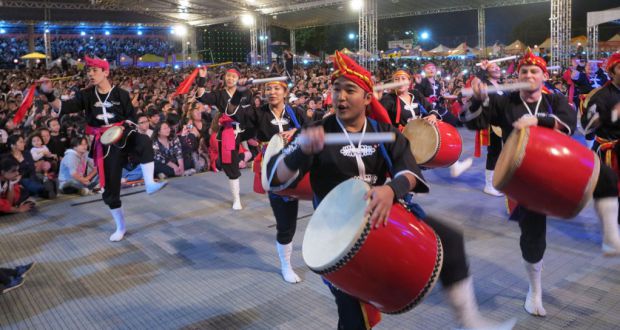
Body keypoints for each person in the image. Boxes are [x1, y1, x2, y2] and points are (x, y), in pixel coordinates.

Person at [267, 51, 515, 330]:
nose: (341, 97)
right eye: (336, 90)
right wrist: (300, 152)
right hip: (337, 230)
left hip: (386, 211)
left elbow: (410, 172)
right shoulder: (314, 133)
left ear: (368, 97)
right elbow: (276, 179)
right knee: (353, 313)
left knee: (451, 241)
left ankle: (470, 321)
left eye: (350, 90)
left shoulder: (384, 132)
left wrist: (391, 190)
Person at [462, 49, 620, 317]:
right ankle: (534, 289)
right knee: (533, 236)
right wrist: (478, 101)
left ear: (544, 76)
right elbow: (472, 123)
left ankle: (611, 233)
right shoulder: (505, 102)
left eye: (534, 71)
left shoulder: (554, 100)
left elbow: (570, 125)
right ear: (518, 76)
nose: (528, 75)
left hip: (558, 167)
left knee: (604, 176)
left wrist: (539, 120)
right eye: (524, 71)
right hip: (523, 179)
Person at [41, 55, 166, 242]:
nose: (90, 74)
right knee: (110, 188)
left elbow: (131, 117)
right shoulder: (86, 95)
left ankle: (149, 183)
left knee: (144, 140)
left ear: (106, 72)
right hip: (104, 142)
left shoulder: (122, 94)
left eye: (95, 70)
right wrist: (49, 94)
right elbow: (63, 107)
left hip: (123, 132)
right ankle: (120, 226)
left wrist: (129, 127)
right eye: (88, 71)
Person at [230, 74, 307, 284]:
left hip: (303, 168)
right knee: (286, 223)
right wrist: (240, 92)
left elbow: (314, 131)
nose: (272, 92)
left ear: (285, 92)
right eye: (269, 89)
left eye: (276, 89)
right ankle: (286, 264)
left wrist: (297, 131)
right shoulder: (258, 113)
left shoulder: (296, 113)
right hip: (275, 171)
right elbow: (233, 115)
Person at [196, 67, 252, 210]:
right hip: (228, 131)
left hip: (244, 130)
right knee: (230, 164)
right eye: (228, 76)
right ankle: (236, 198)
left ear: (238, 79)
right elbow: (201, 96)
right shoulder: (219, 94)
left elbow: (248, 111)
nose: (230, 78)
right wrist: (202, 79)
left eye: (233, 76)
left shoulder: (246, 92)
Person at [582, 53, 620, 224]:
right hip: (611, 154)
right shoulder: (602, 96)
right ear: (612, 73)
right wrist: (608, 115)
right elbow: (587, 126)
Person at [473, 60, 504, 197]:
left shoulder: (501, 85)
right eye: (493, 67)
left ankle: (499, 181)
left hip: (504, 124)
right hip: (492, 124)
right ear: (487, 71)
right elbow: (475, 86)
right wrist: (481, 71)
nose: (497, 68)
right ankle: (489, 185)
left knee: (505, 154)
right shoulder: (485, 84)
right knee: (494, 153)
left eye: (498, 66)